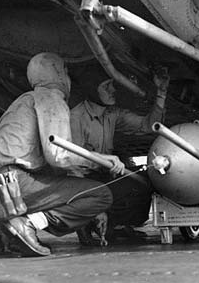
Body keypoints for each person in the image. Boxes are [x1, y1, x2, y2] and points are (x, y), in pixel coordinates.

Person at [0, 52, 115, 256]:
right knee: (100, 194)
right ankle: (27, 225)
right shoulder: (51, 98)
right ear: (60, 73)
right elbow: (58, 155)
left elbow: (52, 167)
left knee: (60, 181)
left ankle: (6, 232)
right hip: (13, 187)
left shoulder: (22, 102)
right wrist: (102, 160)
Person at [69, 68, 169, 242]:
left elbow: (148, 125)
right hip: (80, 181)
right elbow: (71, 165)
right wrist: (93, 205)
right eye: (106, 86)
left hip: (103, 175)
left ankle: (118, 226)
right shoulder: (76, 117)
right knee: (119, 188)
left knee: (145, 181)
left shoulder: (112, 113)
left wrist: (161, 93)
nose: (113, 90)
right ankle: (86, 223)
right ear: (92, 89)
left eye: (112, 85)